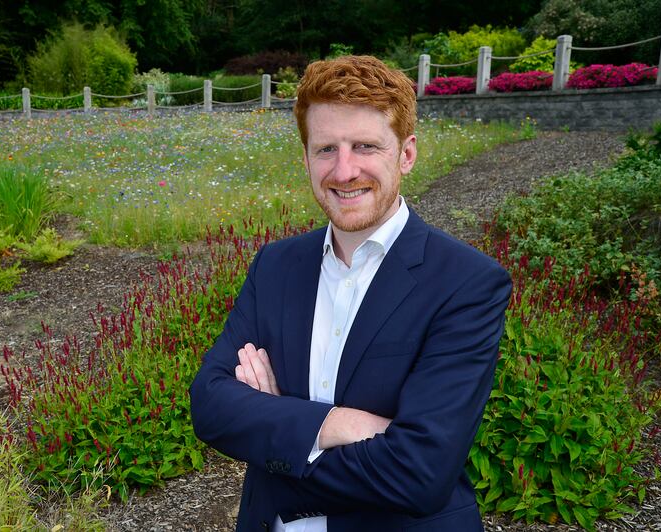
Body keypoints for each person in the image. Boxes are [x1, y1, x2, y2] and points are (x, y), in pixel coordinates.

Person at [189, 55, 512, 531]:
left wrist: (275, 432)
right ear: (305, 157)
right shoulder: (275, 266)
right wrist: (340, 425)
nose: (344, 171)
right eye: (325, 149)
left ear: (406, 154)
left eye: (365, 146)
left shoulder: (466, 282)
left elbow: (419, 473)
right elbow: (211, 405)